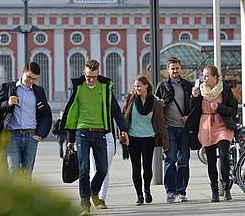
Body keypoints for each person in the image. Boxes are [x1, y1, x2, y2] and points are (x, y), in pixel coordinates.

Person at [60, 59, 128, 216]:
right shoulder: (78, 87)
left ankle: (94, 192)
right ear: (85, 73)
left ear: (98, 74)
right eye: (87, 76)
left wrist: (122, 128)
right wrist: (70, 138)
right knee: (84, 169)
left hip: (100, 132)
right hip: (82, 131)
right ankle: (85, 203)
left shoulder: (104, 87)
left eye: (93, 76)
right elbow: (73, 112)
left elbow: (115, 110)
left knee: (103, 168)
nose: (90, 79)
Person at [188, 65, 237, 202]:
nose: (204, 78)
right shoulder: (201, 90)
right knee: (211, 160)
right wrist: (193, 96)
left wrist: (219, 107)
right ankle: (214, 190)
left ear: (215, 77)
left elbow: (233, 109)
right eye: (203, 75)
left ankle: (226, 187)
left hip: (222, 125)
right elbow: (192, 108)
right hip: (206, 125)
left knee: (224, 154)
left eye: (207, 75)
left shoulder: (225, 89)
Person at [0, 62, 52, 176]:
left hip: (31, 137)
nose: (31, 81)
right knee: (13, 171)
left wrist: (40, 134)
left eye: (34, 79)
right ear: (23, 73)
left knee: (27, 173)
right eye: (29, 77)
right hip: (12, 136)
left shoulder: (39, 91)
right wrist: (7, 103)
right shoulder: (8, 87)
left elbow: (46, 114)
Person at [122, 75, 169, 205]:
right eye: (135, 86)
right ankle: (139, 195)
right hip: (133, 138)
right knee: (136, 167)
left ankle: (147, 189)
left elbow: (160, 122)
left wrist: (165, 143)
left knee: (147, 167)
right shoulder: (131, 99)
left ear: (146, 86)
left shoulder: (155, 102)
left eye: (139, 86)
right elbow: (123, 116)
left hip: (148, 137)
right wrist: (122, 133)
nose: (136, 88)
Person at [155, 57, 193, 203]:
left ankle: (181, 191)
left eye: (177, 68)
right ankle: (170, 191)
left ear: (180, 68)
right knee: (170, 160)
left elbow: (194, 106)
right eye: (172, 68)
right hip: (168, 128)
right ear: (168, 70)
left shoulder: (187, 86)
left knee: (183, 161)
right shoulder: (162, 86)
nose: (175, 70)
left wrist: (188, 117)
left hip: (184, 129)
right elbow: (156, 107)